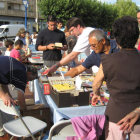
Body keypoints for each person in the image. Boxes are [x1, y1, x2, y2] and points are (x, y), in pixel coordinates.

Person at [92, 16, 140, 140]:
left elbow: (96, 84)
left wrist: (96, 94)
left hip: (115, 116)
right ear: (136, 38)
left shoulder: (108, 60)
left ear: (116, 40)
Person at [0, 56, 38, 137]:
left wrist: (9, 98)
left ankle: (2, 133)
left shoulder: (19, 66)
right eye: (30, 79)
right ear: (29, 73)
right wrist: (26, 113)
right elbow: (21, 99)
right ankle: (2, 135)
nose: (28, 81)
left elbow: (4, 84)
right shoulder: (22, 75)